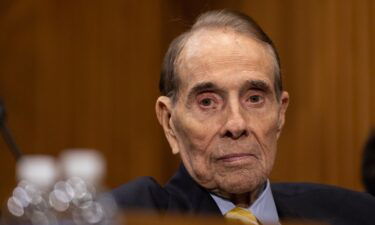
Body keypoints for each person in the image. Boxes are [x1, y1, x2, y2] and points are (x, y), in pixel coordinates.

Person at [112, 10, 375, 225]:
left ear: (281, 113)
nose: (236, 124)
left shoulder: (358, 214)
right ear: (170, 122)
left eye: (254, 98)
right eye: (207, 102)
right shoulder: (124, 215)